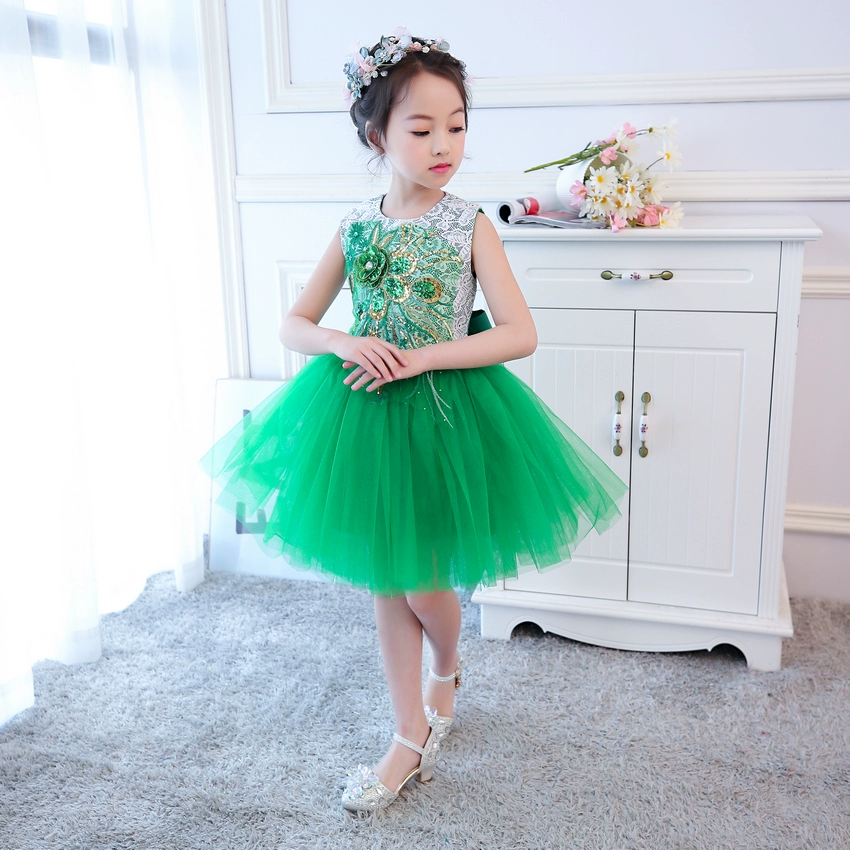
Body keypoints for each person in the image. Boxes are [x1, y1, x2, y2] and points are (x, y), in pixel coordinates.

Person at [199, 28, 628, 813]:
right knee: (387, 578)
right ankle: (408, 734)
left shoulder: (468, 224)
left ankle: (447, 666)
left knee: (425, 587)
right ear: (376, 135)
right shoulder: (356, 225)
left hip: (444, 417)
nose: (444, 146)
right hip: (361, 418)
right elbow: (295, 323)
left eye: (456, 127)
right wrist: (342, 340)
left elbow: (519, 334)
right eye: (422, 129)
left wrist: (426, 355)